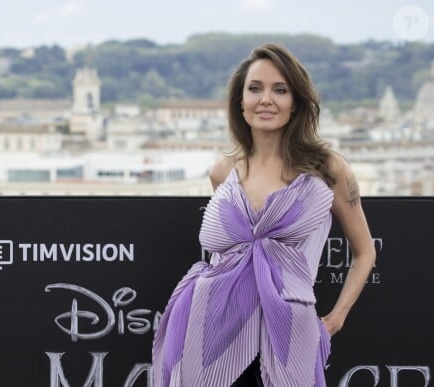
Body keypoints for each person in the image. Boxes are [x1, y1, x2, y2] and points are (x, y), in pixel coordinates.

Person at [152, 43, 376, 387]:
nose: (265, 99)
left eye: (280, 90)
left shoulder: (329, 169)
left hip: (289, 331)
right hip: (212, 331)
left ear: (296, 103)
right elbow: (226, 258)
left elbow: (364, 252)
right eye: (255, 89)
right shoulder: (222, 171)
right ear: (240, 103)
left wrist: (335, 319)